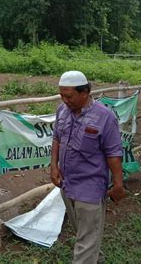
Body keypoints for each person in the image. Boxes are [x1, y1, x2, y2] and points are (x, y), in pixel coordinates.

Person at [51, 71, 125, 264]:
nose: (65, 100)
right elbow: (57, 138)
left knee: (86, 239)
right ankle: (95, 258)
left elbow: (113, 153)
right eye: (62, 95)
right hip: (67, 184)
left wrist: (118, 184)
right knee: (84, 232)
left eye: (69, 96)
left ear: (85, 93)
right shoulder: (62, 111)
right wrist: (53, 166)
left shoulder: (105, 117)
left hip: (90, 187)